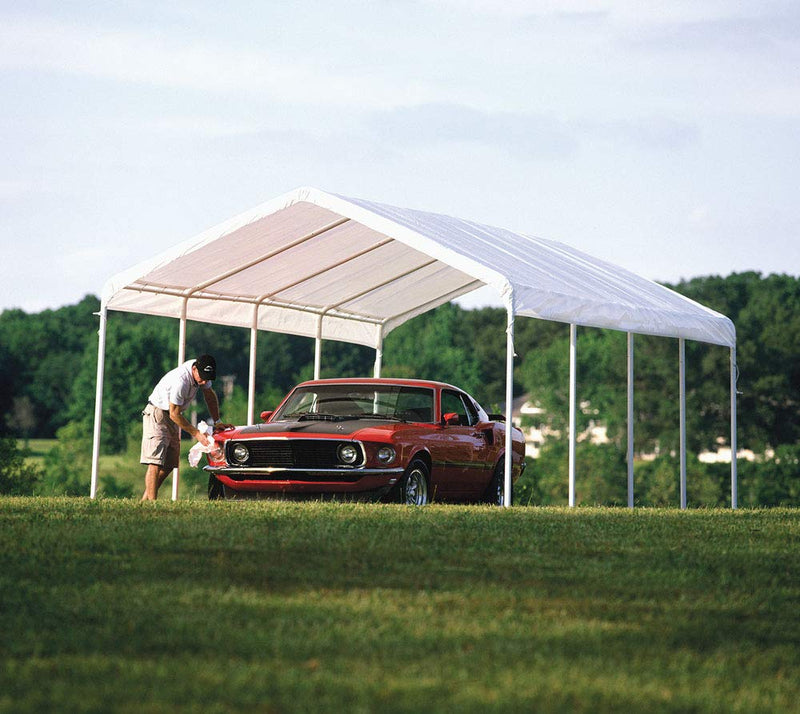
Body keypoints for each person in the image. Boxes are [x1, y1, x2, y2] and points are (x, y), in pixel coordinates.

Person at [140, 354, 222, 501]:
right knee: (155, 462)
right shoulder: (181, 380)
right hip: (158, 413)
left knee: (169, 464)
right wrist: (196, 433)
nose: (204, 381)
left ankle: (144, 502)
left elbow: (209, 395)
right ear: (194, 369)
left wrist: (217, 421)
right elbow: (174, 414)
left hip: (173, 415)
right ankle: (152, 505)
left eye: (207, 378)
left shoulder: (202, 374)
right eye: (202, 377)